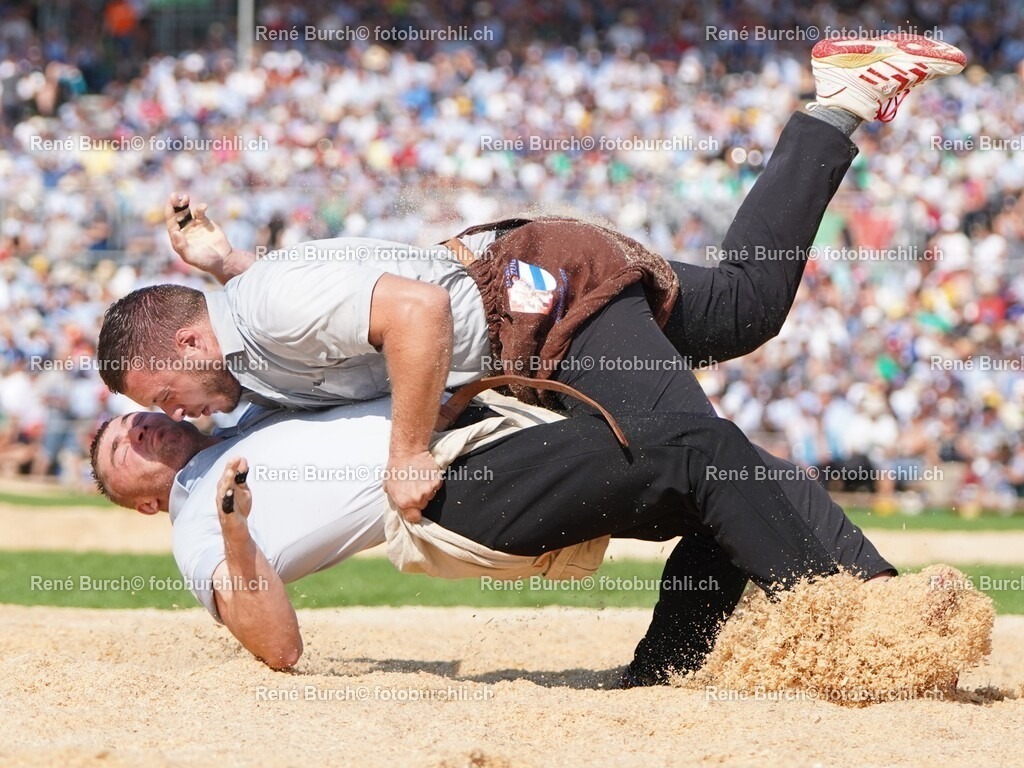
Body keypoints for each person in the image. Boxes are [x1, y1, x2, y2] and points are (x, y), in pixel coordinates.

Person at [95, 34, 967, 523]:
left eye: (164, 393)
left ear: (186, 340)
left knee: (691, 459)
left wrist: (405, 456)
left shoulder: (266, 320)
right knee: (744, 307)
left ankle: (851, 598)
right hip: (529, 299)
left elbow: (416, 307)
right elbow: (329, 299)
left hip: (535, 298)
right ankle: (840, 101)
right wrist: (232, 264)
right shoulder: (250, 355)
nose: (172, 413)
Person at [89, 390, 895, 682]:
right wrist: (234, 529)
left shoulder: (245, 419)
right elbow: (278, 647)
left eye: (135, 415)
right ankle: (853, 630)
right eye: (119, 444)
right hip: (449, 500)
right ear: (135, 504)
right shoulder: (196, 526)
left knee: (724, 485)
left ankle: (668, 670)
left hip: (483, 445)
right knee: (702, 446)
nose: (138, 426)